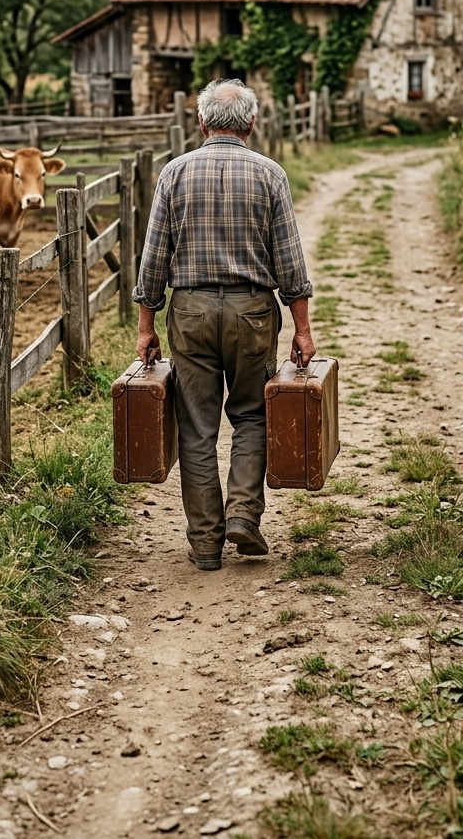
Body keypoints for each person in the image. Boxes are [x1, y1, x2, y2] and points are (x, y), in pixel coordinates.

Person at [133, 78, 315, 571]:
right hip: (252, 312)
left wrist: (147, 326)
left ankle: (206, 542)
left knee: (196, 426)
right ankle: (243, 515)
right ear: (251, 124)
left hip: (189, 312)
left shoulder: (174, 173)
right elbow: (290, 262)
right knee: (253, 415)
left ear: (201, 122)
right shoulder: (270, 174)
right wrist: (302, 329)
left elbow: (153, 259)